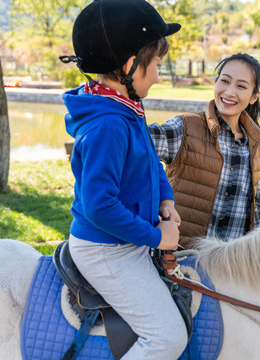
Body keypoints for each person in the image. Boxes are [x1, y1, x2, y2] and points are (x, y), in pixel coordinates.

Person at [60, 0, 187, 358]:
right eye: (157, 64)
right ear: (131, 65)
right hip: (106, 250)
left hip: (123, 240)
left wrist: (166, 199)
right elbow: (100, 206)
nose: (159, 74)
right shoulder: (109, 125)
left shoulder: (126, 107)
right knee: (167, 337)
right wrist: (156, 237)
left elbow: (150, 162)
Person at [149, 53, 260, 246]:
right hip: (181, 260)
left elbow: (258, 214)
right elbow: (138, 142)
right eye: (225, 81)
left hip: (232, 265)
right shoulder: (185, 128)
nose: (229, 92)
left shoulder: (259, 148)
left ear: (254, 96)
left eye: (241, 86)